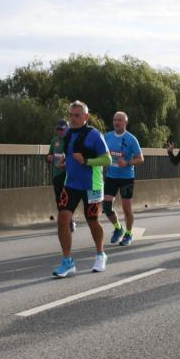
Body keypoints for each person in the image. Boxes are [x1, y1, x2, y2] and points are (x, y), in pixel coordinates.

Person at [52, 100, 112, 277]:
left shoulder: (94, 135)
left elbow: (107, 160)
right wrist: (65, 161)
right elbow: (71, 154)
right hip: (71, 184)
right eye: (70, 115)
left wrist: (86, 161)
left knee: (92, 221)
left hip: (92, 185)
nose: (72, 118)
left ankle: (101, 254)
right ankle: (67, 261)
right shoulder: (68, 134)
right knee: (63, 219)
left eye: (77, 115)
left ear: (86, 117)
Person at [103, 111, 144, 246]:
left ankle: (128, 233)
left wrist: (127, 163)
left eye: (120, 120)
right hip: (111, 176)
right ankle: (118, 228)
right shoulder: (107, 136)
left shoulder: (131, 139)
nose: (117, 122)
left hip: (126, 177)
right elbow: (104, 154)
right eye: (115, 120)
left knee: (127, 208)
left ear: (125, 123)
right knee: (106, 206)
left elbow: (140, 158)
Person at [46, 119, 75, 233]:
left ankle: (69, 221)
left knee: (68, 199)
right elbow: (49, 155)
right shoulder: (55, 141)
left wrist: (66, 164)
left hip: (69, 175)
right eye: (58, 129)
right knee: (59, 200)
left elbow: (76, 157)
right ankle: (65, 221)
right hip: (57, 175)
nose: (60, 131)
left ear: (67, 128)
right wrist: (49, 158)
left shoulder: (72, 140)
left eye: (62, 129)